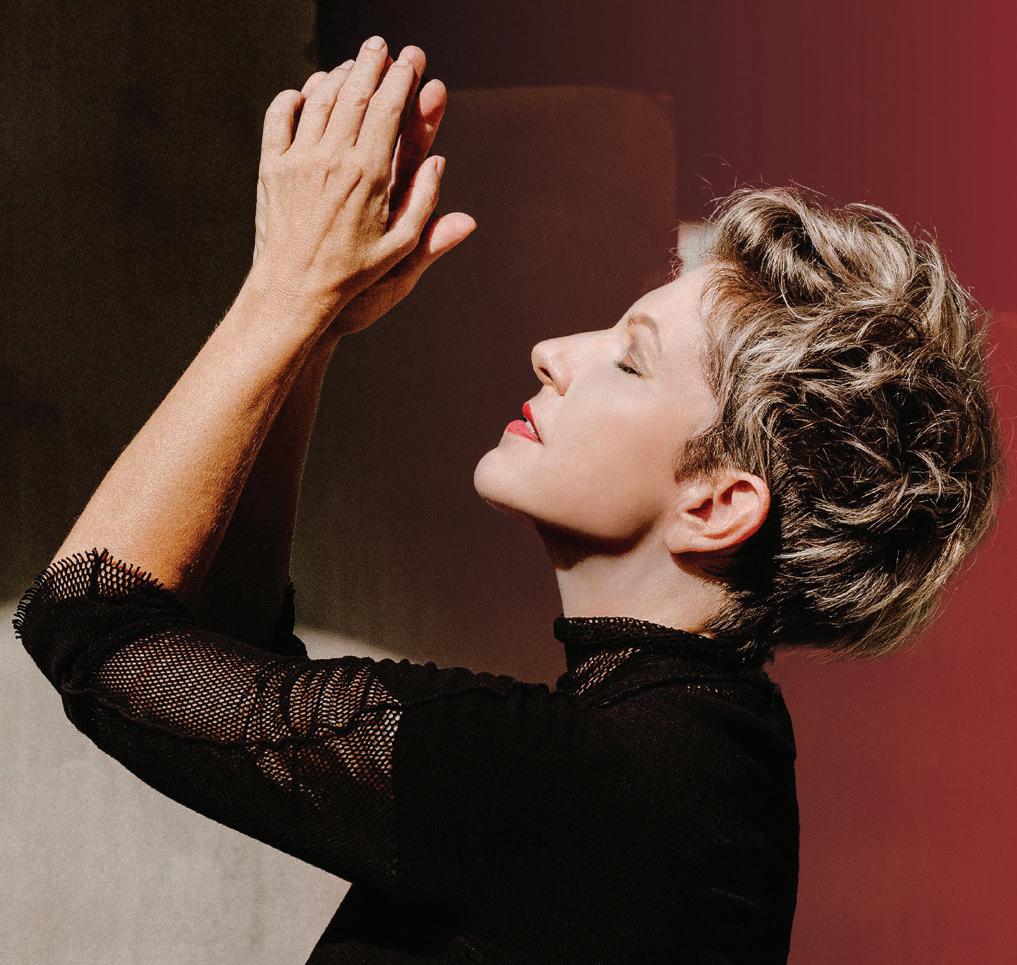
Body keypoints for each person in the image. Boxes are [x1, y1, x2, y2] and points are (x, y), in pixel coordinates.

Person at [11, 34, 1005, 965]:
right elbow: (224, 661)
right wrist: (315, 327)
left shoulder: (599, 778)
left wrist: (285, 291)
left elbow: (88, 624)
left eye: (629, 360)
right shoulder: (691, 757)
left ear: (716, 505)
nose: (553, 351)